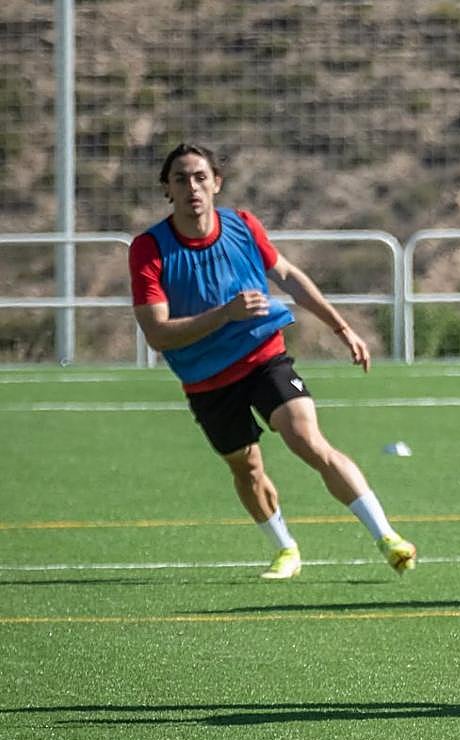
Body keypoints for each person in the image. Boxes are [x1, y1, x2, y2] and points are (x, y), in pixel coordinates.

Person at [129, 143, 417, 580]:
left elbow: (289, 277)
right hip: (206, 379)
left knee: (307, 440)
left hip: (265, 357)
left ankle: (388, 537)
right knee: (246, 468)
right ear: (167, 189)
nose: (193, 186)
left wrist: (342, 329)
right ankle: (286, 549)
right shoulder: (149, 249)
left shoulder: (243, 226)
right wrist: (226, 312)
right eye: (181, 179)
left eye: (201, 177)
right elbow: (157, 332)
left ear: (217, 183)